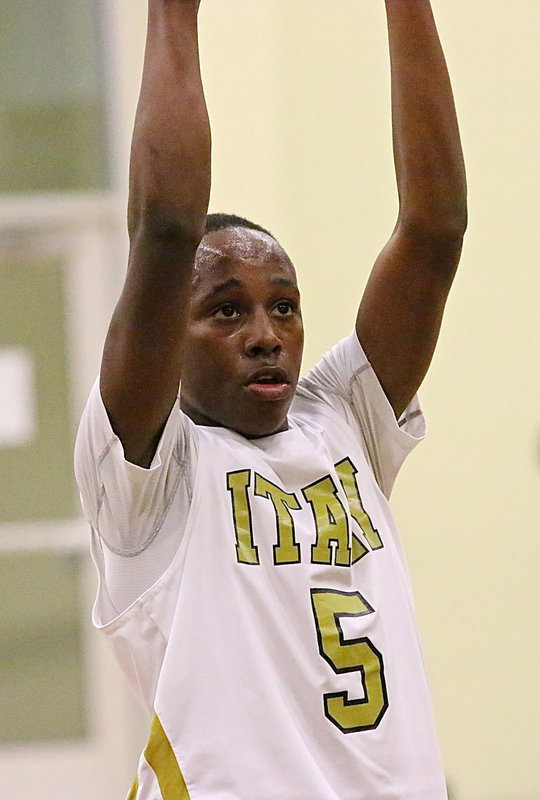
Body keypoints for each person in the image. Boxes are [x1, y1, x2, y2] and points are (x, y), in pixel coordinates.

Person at [75, 0, 467, 798]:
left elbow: (434, 229)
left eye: (283, 306)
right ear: (169, 334)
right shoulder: (149, 477)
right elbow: (166, 230)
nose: (266, 335)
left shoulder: (343, 422)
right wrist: (172, 17)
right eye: (227, 311)